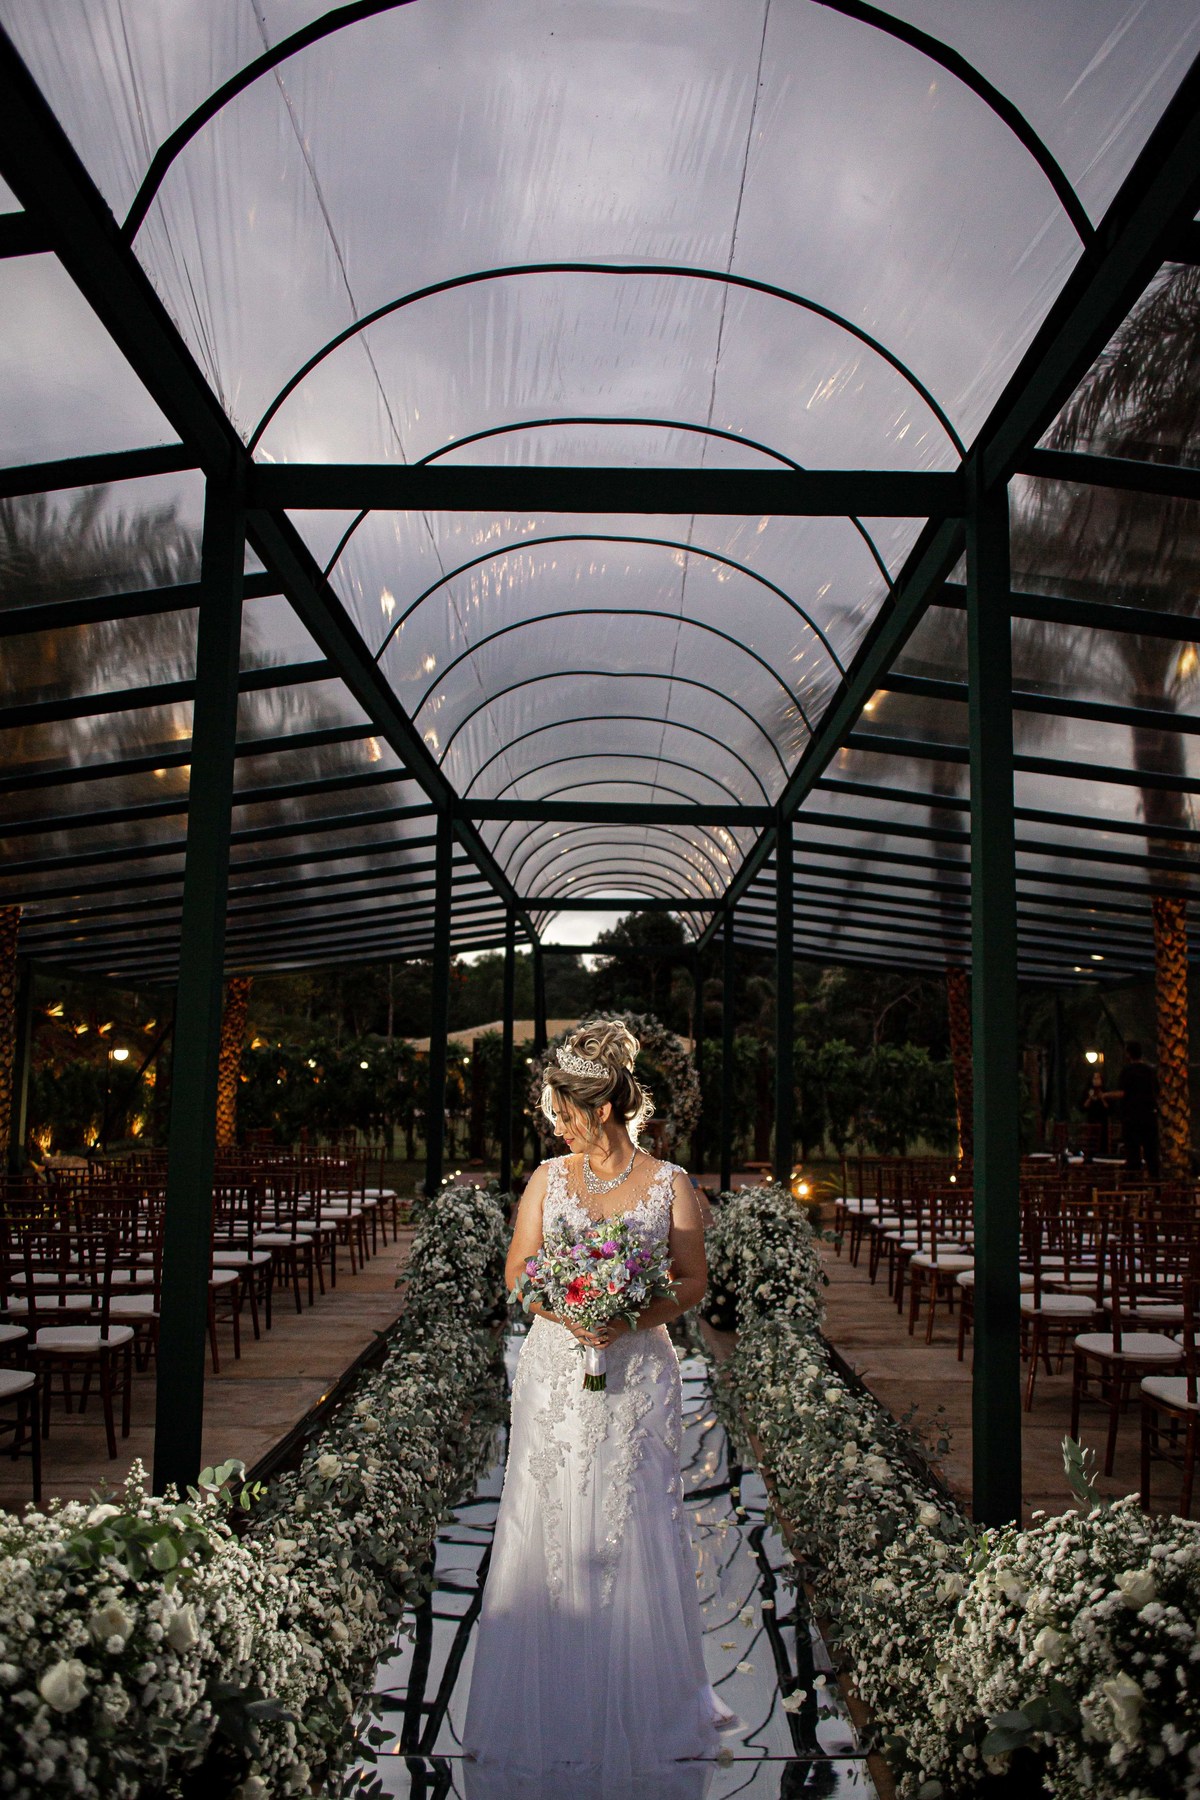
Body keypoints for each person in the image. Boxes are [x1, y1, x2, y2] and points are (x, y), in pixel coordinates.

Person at [462, 1020, 732, 1797]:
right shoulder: (546, 1180)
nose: (560, 1127)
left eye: (569, 1114)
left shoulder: (668, 1183)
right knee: (545, 1516)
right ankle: (547, 1702)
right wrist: (559, 1306)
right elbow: (517, 1268)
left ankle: (643, 1705)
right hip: (552, 1374)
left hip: (637, 1376)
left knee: (632, 1516)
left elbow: (691, 1281)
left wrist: (629, 1317)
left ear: (606, 1109)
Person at [1109, 1041, 1159, 1178]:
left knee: (1133, 1153)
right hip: (1149, 1116)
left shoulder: (1127, 1071)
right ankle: (1156, 1188)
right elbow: (1157, 1091)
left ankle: (1133, 1186)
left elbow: (1122, 1093)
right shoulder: (1149, 1071)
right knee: (1151, 1153)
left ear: (1128, 1054)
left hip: (1132, 1118)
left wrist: (1106, 1095)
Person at [1080, 1069, 1111, 1158]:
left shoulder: (1106, 1091)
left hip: (1103, 1122)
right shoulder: (1087, 1091)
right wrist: (1090, 1098)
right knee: (1091, 1143)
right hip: (1091, 1121)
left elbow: (1110, 1108)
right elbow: (1083, 1107)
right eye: (1094, 1078)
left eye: (1098, 1078)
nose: (1096, 1080)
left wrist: (1102, 1098)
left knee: (1103, 1143)